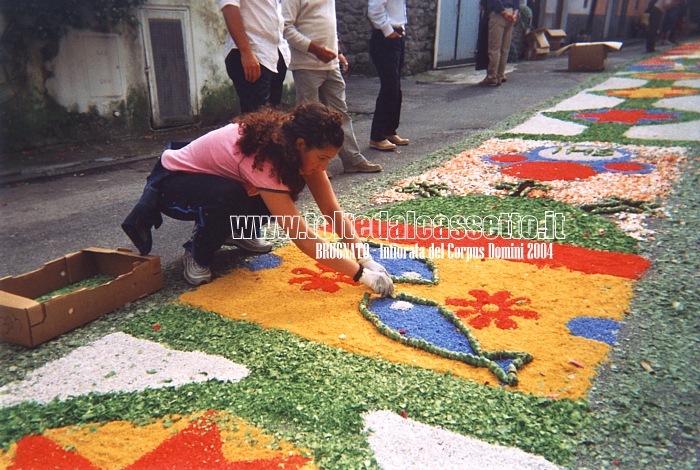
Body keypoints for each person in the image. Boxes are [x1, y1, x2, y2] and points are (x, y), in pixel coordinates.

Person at [121, 103, 394, 296]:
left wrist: (364, 258)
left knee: (266, 193)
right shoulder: (265, 158)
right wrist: (361, 276)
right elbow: (302, 236)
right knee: (235, 195)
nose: (323, 167)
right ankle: (197, 251)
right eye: (321, 158)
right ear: (301, 143)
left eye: (329, 160)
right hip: (174, 182)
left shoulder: (295, 148)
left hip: (218, 180)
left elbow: (332, 210)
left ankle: (240, 231)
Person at [282, 0, 382, 175]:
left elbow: (330, 25)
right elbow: (286, 27)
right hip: (306, 64)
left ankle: (352, 159)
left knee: (340, 114)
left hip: (331, 64)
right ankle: (311, 166)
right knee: (309, 118)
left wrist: (339, 52)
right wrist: (315, 50)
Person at [219, 0, 290, 113]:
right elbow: (229, 8)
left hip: (275, 53)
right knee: (256, 119)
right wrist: (246, 53)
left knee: (272, 116)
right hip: (253, 52)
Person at [367, 0, 410, 152]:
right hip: (384, 38)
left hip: (396, 35)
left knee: (396, 87)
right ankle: (377, 137)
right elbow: (374, 9)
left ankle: (389, 131)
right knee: (389, 86)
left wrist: (400, 30)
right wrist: (388, 30)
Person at [479, 0, 519, 87]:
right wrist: (514, 14)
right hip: (511, 13)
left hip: (499, 14)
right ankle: (500, 75)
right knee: (505, 47)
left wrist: (504, 13)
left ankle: (492, 77)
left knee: (494, 47)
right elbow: (517, 2)